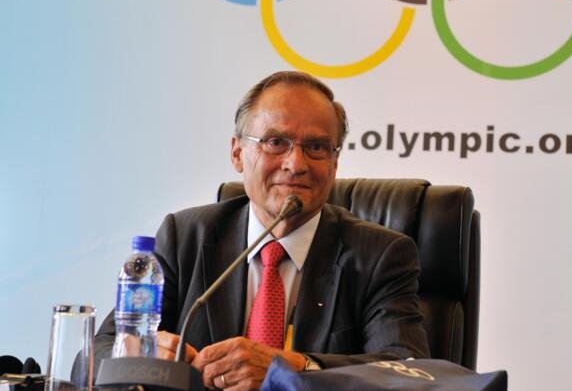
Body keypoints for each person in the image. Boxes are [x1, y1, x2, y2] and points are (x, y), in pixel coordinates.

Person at [94, 71, 429, 388]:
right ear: (238, 153)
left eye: (316, 147)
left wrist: (295, 367)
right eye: (275, 142)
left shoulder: (380, 256)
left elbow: (409, 373)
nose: (296, 164)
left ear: (334, 162)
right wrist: (141, 353)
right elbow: (98, 352)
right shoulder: (185, 237)